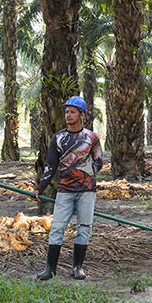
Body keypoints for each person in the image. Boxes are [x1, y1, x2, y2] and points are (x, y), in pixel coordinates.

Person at [33, 95, 102, 281]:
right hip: (65, 190)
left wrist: (89, 174)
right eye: (66, 112)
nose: (68, 115)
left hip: (87, 192)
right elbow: (50, 166)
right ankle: (50, 269)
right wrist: (41, 187)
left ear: (82, 115)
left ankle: (77, 268)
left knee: (84, 228)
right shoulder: (58, 138)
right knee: (57, 227)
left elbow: (99, 160)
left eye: (72, 112)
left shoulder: (91, 137)